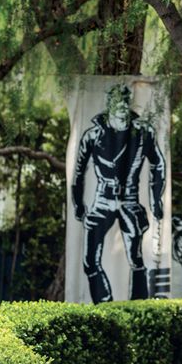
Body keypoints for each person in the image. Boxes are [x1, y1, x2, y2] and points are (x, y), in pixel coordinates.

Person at [71, 83, 166, 303]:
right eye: (117, 101)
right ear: (109, 105)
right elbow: (78, 172)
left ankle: (138, 307)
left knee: (136, 259)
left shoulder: (143, 132)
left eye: (125, 100)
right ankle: (104, 305)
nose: (122, 105)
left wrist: (155, 200)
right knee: (89, 261)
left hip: (130, 198)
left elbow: (158, 164)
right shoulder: (93, 135)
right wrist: (78, 203)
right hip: (102, 200)